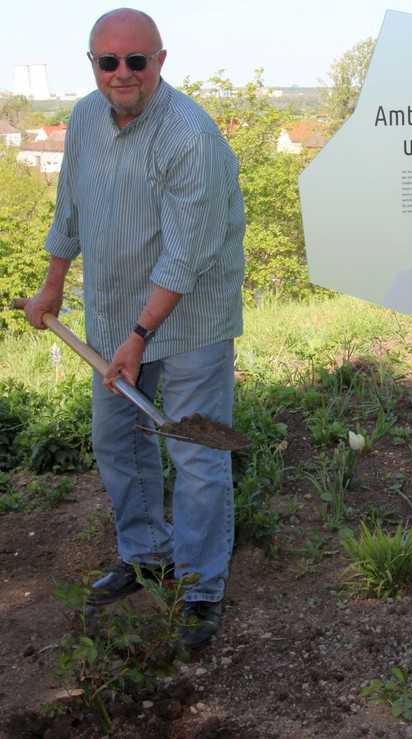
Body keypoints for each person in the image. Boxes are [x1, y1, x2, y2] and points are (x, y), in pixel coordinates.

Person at [23, 8, 245, 650]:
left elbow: (186, 253)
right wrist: (53, 284)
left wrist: (139, 336)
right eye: (108, 61)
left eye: (136, 61)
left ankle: (201, 588)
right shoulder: (86, 117)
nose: (123, 73)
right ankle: (147, 552)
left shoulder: (190, 137)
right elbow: (70, 201)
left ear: (160, 61)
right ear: (93, 64)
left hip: (189, 319)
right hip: (115, 312)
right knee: (117, 436)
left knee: (197, 454)